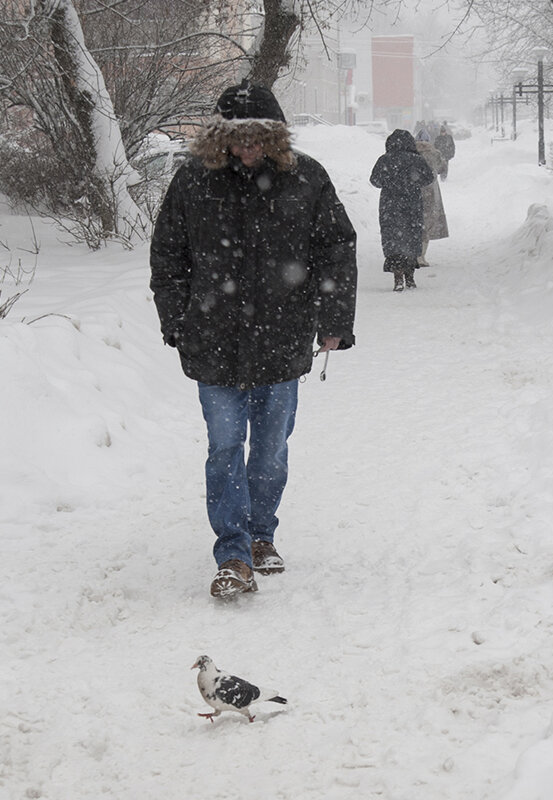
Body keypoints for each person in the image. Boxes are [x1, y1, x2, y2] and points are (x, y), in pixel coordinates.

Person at [149, 80, 358, 599]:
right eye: (237, 139)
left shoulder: (306, 179)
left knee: (268, 452)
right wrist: (178, 320)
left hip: (281, 341)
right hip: (212, 340)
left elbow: (336, 249)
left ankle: (262, 535)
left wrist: (333, 319)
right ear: (220, 138)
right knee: (224, 447)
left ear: (276, 137)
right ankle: (234, 554)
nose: (248, 148)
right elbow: (168, 256)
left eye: (258, 138)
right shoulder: (194, 182)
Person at [370, 128, 434, 291]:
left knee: (394, 239)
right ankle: (410, 277)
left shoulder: (384, 160)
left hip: (389, 205)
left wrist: (390, 181)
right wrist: (412, 182)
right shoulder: (417, 159)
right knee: (411, 237)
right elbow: (428, 178)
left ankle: (398, 278)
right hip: (411, 203)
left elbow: (375, 180)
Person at [413, 135, 450, 268]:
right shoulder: (435, 154)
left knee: (415, 222)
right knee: (427, 223)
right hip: (431, 191)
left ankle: (415, 254)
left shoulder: (412, 153)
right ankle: (422, 256)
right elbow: (442, 168)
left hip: (414, 191)